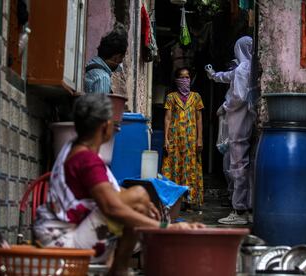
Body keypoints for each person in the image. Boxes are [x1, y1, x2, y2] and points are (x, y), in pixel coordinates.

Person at [34, 94, 204, 275]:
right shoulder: (87, 160)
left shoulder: (74, 148)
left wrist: (142, 201)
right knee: (136, 203)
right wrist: (165, 227)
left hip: (62, 232)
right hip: (63, 242)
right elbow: (111, 207)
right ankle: (119, 269)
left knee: (138, 196)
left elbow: (113, 193)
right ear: (105, 126)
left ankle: (119, 268)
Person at [206, 36, 256, 225]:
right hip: (248, 120)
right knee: (247, 164)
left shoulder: (243, 68)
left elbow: (239, 96)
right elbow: (227, 76)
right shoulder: (252, 67)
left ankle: (239, 209)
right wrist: (213, 75)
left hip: (238, 122)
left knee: (237, 164)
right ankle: (248, 207)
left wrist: (225, 106)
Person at [162, 67, 204, 211]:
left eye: (187, 77)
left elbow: (199, 119)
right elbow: (167, 118)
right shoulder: (171, 97)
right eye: (181, 77)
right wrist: (166, 139)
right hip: (175, 138)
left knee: (190, 168)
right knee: (174, 167)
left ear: (190, 79)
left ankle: (189, 200)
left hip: (191, 140)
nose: (184, 80)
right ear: (176, 80)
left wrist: (200, 138)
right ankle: (173, 200)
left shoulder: (196, 97)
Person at [84, 24, 127, 94]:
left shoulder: (89, 64)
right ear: (116, 57)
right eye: (121, 59)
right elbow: (100, 105)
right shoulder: (103, 78)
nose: (120, 63)